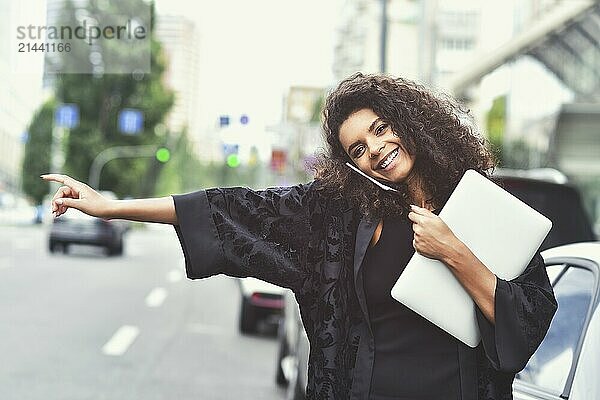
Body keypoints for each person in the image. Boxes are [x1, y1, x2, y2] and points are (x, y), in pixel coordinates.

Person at [41, 73, 557, 400]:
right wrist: (111, 207)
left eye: (380, 129)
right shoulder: (338, 215)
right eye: (356, 148)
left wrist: (455, 253)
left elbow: (528, 323)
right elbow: (231, 209)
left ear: (411, 123)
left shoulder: (485, 207)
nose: (374, 149)